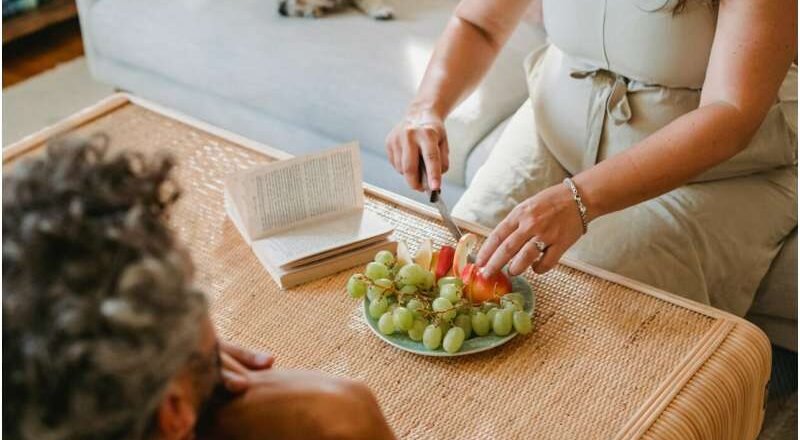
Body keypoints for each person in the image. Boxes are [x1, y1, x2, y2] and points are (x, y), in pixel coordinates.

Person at [385, 0, 797, 315]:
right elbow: (479, 23)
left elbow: (732, 112)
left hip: (715, 173)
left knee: (585, 305)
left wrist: (578, 199)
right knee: (456, 268)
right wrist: (425, 108)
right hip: (554, 135)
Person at [3, 137, 395, 440]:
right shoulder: (342, 417)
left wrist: (180, 368)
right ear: (173, 413)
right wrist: (351, 415)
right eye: (192, 296)